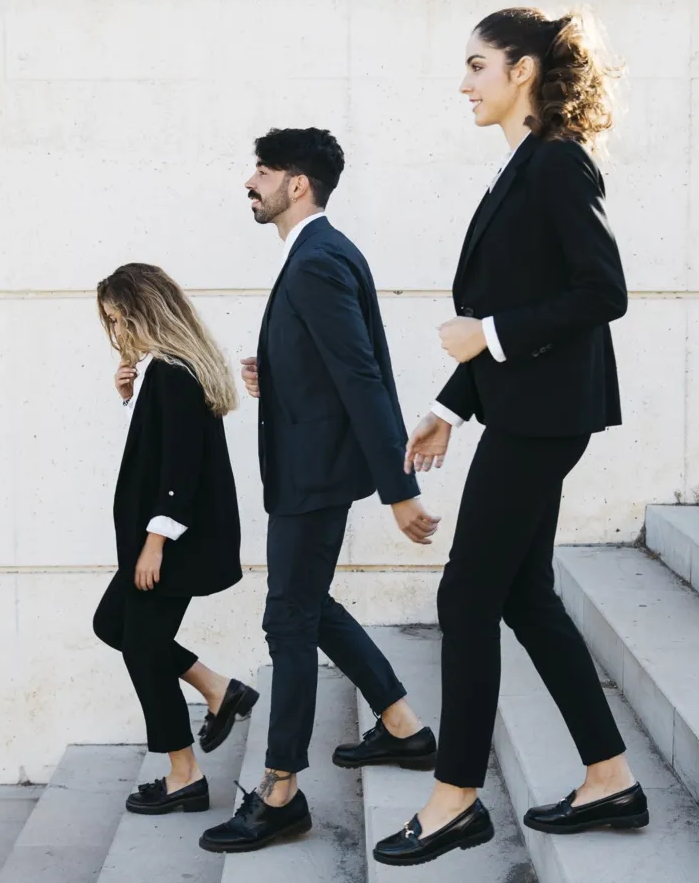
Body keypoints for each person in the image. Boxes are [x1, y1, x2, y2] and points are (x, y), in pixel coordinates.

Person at [373, 8, 644, 868]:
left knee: (466, 598)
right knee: (523, 596)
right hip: (526, 410)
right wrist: (451, 407)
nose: (465, 83)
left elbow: (603, 291)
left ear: (522, 70)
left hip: (543, 419)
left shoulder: (559, 164)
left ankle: (454, 798)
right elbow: (520, 303)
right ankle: (610, 778)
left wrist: (487, 335)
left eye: (477, 65)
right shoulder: (524, 167)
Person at [200, 128, 442, 855]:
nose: (251, 181)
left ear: (296, 184)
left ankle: (280, 791)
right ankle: (402, 726)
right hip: (310, 469)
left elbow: (363, 375)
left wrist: (399, 490)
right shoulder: (319, 254)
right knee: (310, 603)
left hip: (313, 478)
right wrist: (276, 366)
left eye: (264, 171)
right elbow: (335, 364)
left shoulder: (316, 261)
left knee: (288, 618)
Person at [92, 263, 261, 817]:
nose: (118, 334)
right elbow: (158, 450)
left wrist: (155, 541)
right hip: (170, 538)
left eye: (121, 320)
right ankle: (216, 688)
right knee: (113, 625)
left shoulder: (172, 372)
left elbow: (179, 470)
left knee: (139, 646)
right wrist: (127, 397)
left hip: (174, 542)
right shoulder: (165, 371)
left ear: (144, 311)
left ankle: (184, 774)